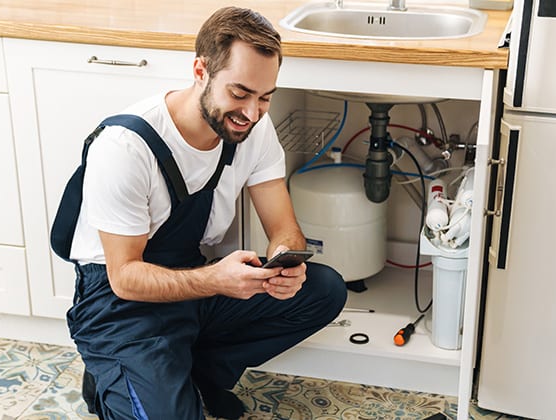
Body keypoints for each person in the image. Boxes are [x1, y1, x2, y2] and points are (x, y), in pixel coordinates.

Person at [59, 6, 347, 420]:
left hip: (191, 288)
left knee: (323, 290)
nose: (251, 112)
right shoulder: (125, 147)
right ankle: (115, 371)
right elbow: (125, 278)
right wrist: (216, 278)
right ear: (201, 71)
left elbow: (284, 227)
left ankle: (197, 375)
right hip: (117, 306)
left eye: (265, 97)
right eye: (239, 93)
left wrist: (286, 265)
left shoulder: (252, 129)